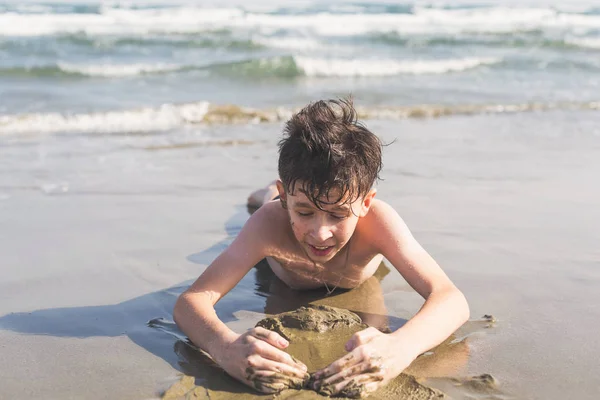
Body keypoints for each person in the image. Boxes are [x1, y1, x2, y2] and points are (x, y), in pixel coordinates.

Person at [173, 98, 470, 396]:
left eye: (338, 214)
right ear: (286, 197)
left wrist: (402, 346)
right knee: (259, 204)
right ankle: (267, 193)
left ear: (365, 203)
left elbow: (452, 300)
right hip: (273, 209)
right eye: (304, 213)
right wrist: (224, 346)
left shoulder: (379, 222)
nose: (320, 233)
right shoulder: (267, 225)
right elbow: (190, 303)